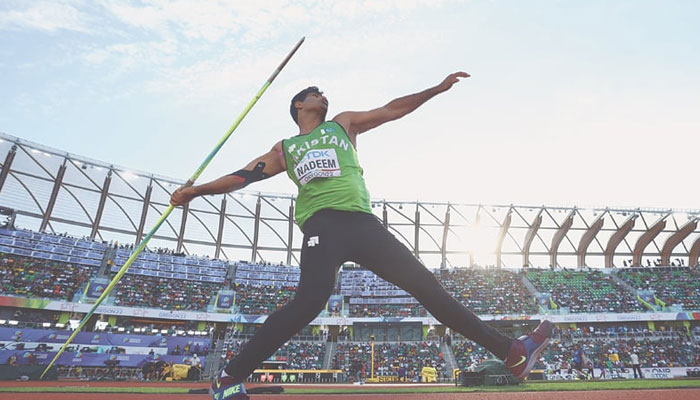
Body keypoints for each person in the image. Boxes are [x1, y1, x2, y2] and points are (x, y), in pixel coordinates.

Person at [171, 72, 553, 400]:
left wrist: (434, 90)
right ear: (299, 105)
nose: (322, 94)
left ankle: (513, 353)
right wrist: (195, 191)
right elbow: (243, 176)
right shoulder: (285, 148)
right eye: (313, 92)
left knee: (426, 286)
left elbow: (391, 110)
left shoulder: (343, 124)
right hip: (322, 226)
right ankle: (228, 379)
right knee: (308, 303)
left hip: (362, 224)